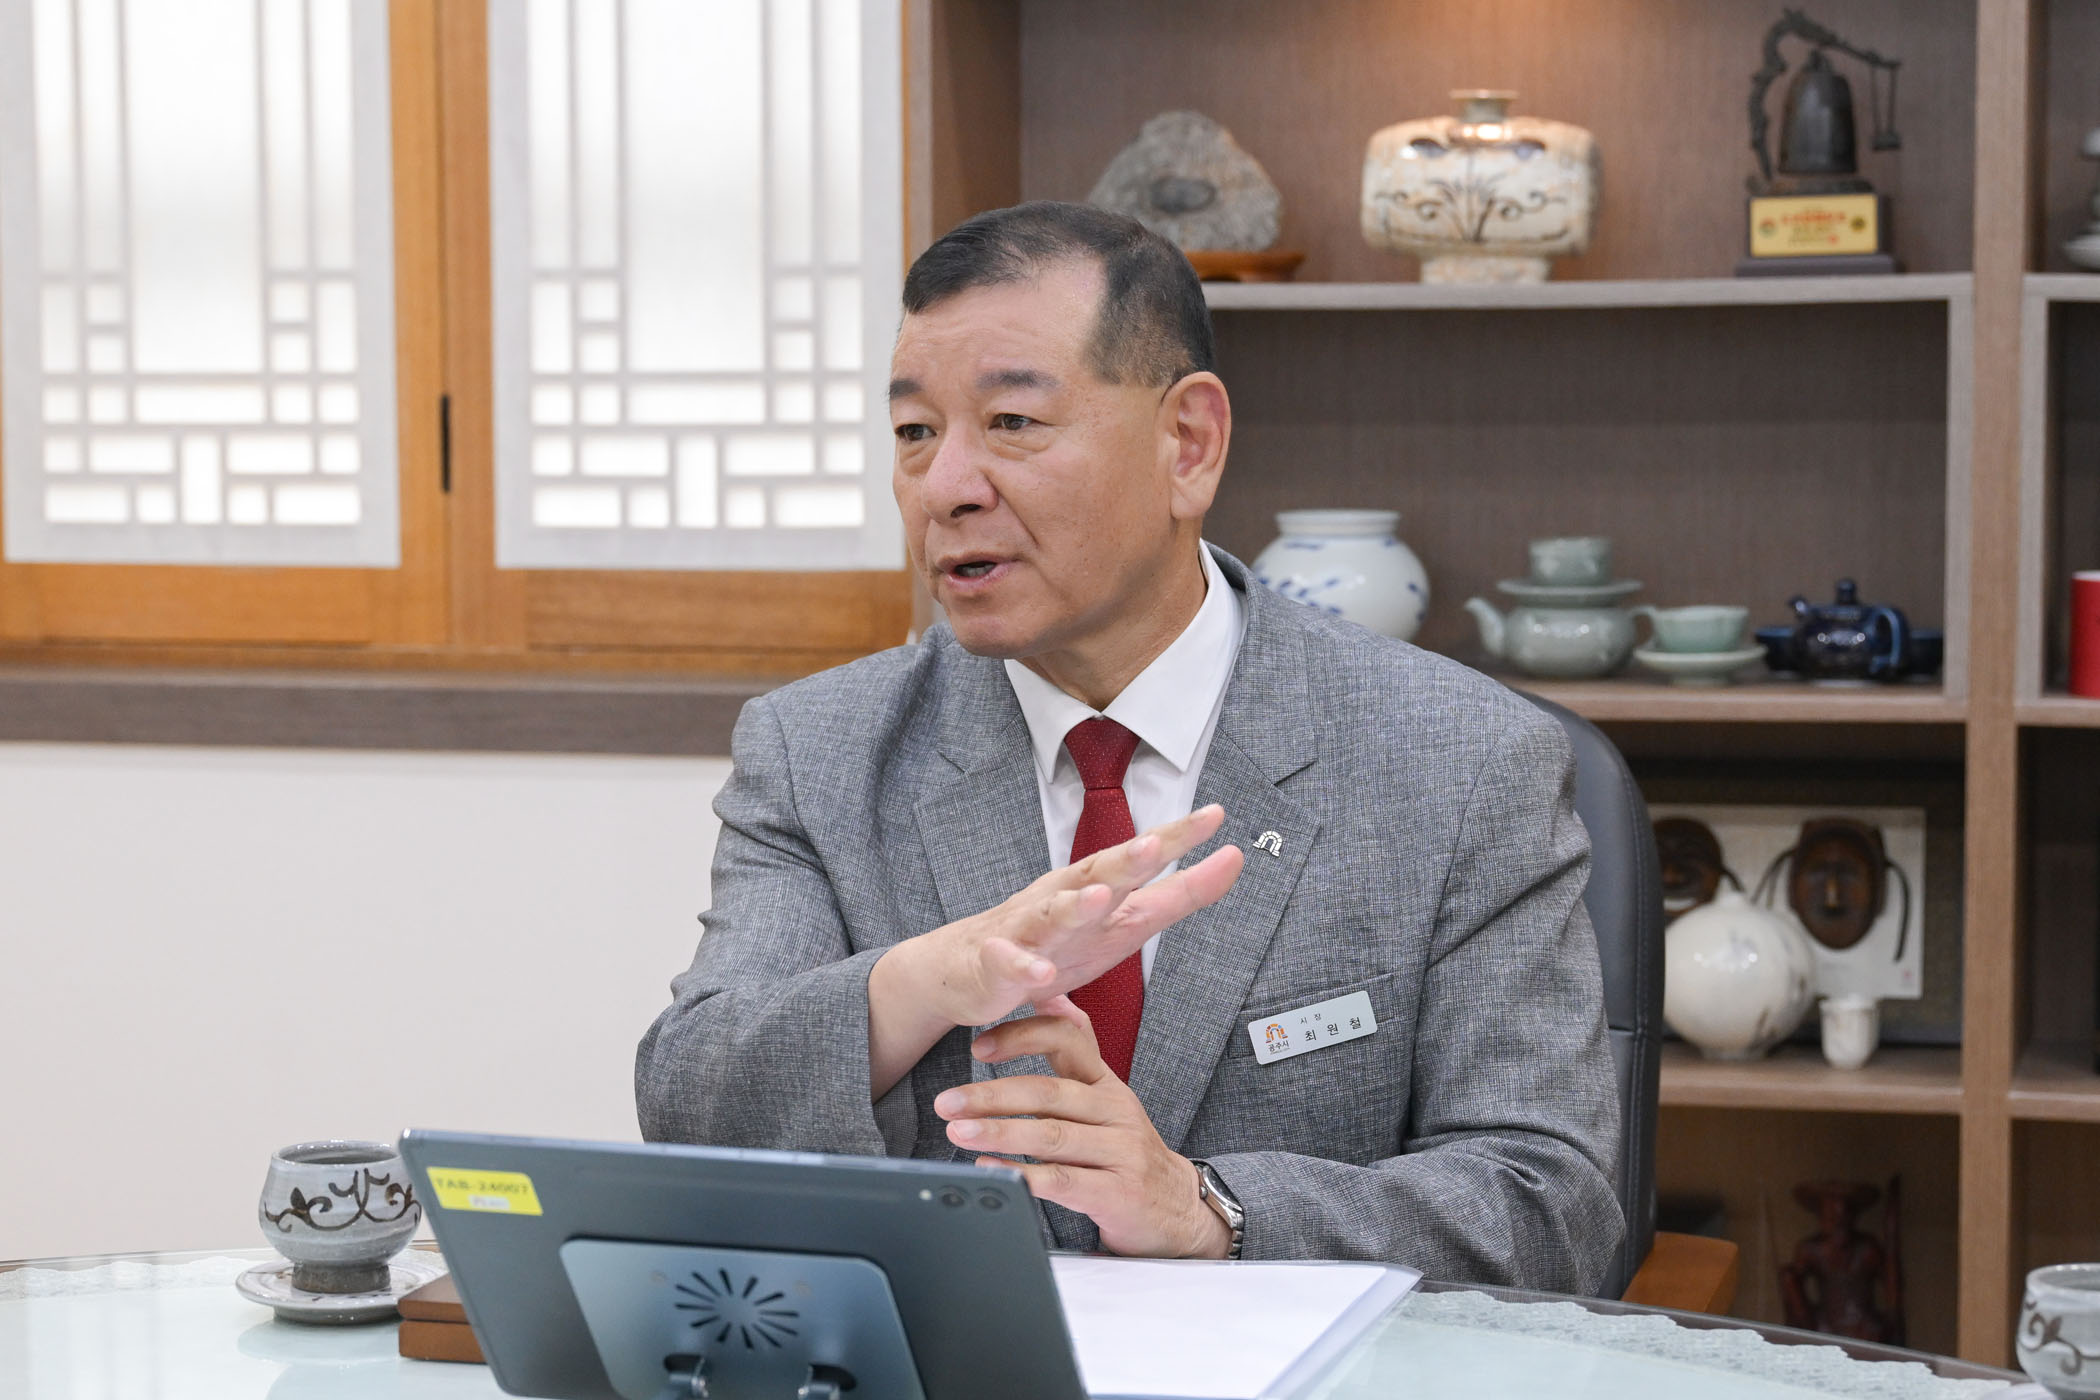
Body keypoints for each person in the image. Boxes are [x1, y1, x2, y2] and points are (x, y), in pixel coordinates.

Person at [637, 201, 1623, 1291]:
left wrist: (1208, 1211)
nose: (947, 487)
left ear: (1187, 444)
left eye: (1012, 421)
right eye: (914, 432)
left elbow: (1552, 1205)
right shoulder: (820, 749)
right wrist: (926, 980)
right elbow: (690, 1099)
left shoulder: (1460, 758)